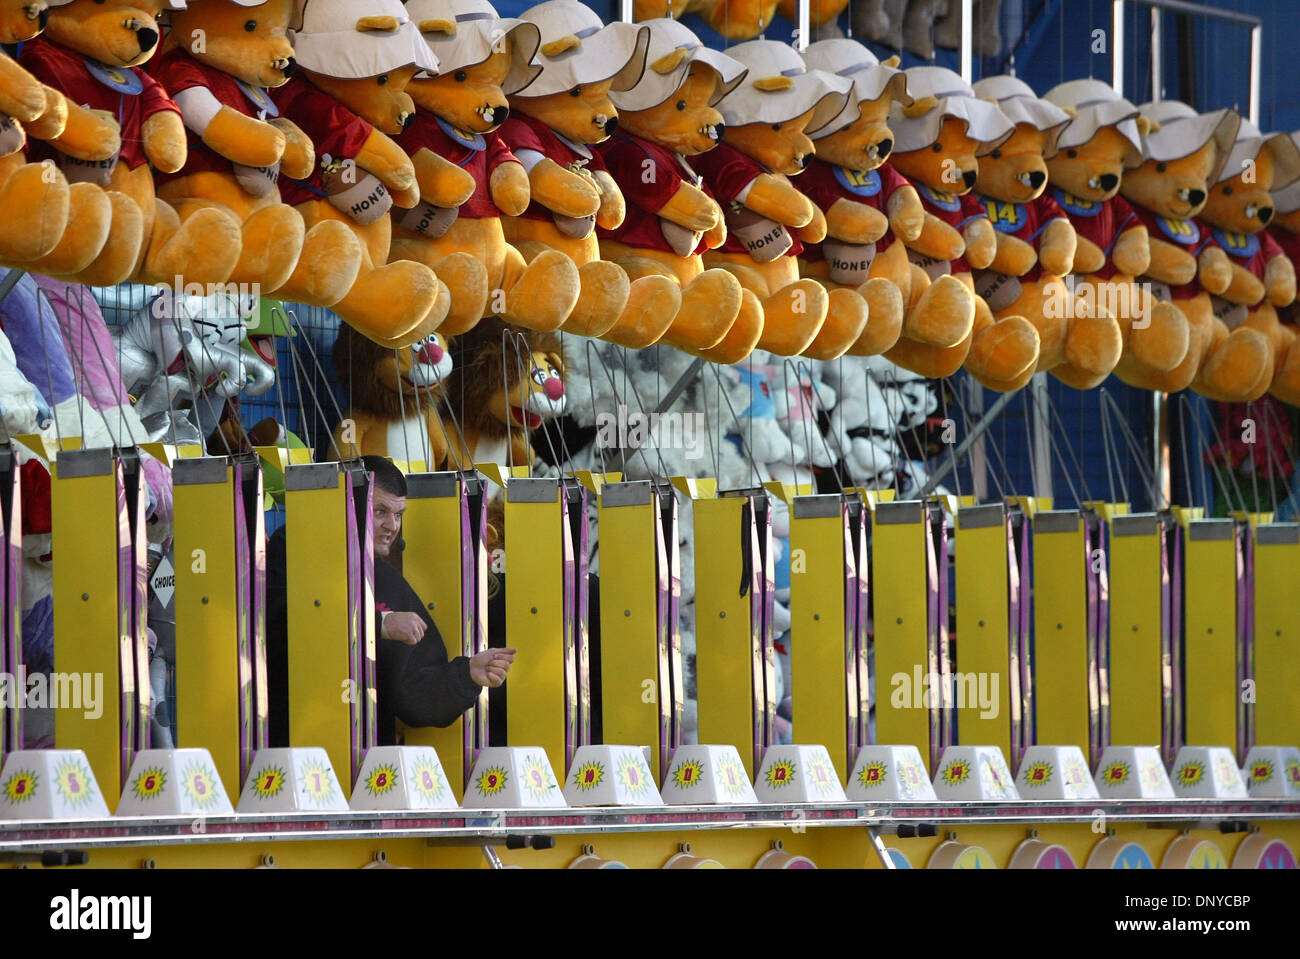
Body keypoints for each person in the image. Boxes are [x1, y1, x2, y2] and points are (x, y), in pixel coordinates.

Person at [265, 456, 516, 746]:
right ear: (348, 503)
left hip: (367, 767)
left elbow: (412, 696)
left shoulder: (389, 583)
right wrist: (379, 623)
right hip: (290, 750)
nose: (391, 525)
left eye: (398, 515)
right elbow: (285, 623)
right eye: (380, 511)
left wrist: (468, 675)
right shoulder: (292, 548)